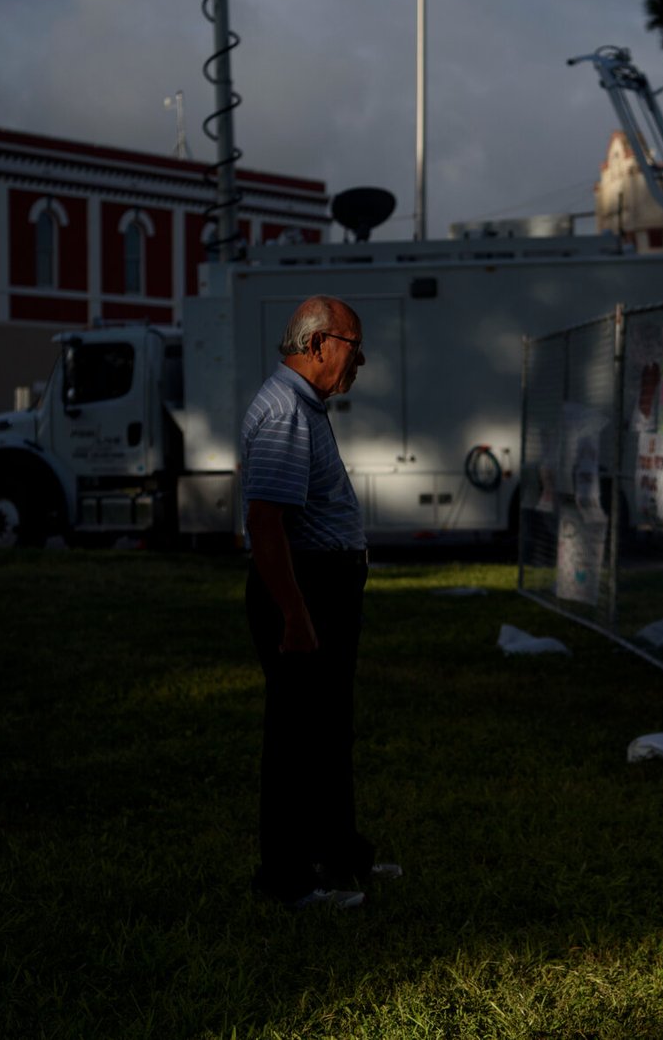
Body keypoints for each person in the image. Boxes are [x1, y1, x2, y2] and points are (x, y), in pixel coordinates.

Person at [241, 294, 398, 909]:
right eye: (354, 348)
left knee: (328, 733)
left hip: (320, 589)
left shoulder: (303, 405)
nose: (360, 363)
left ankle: (339, 858)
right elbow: (266, 524)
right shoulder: (285, 411)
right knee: (297, 740)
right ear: (318, 344)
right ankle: (288, 881)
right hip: (303, 593)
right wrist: (297, 614)